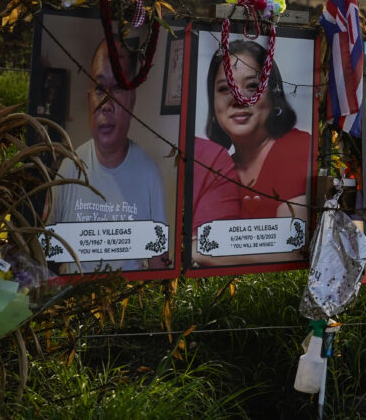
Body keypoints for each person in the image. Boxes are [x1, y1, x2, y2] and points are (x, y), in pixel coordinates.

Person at [47, 41, 166, 272]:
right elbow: (48, 256)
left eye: (119, 88)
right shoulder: (70, 168)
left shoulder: (149, 174)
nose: (106, 105)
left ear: (132, 100)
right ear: (89, 97)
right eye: (100, 89)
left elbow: (158, 264)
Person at [191, 39, 311, 266]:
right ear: (213, 104)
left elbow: (294, 249)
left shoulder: (297, 147)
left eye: (253, 87)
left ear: (274, 96)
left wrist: (203, 252)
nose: (239, 98)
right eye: (225, 88)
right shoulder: (220, 167)